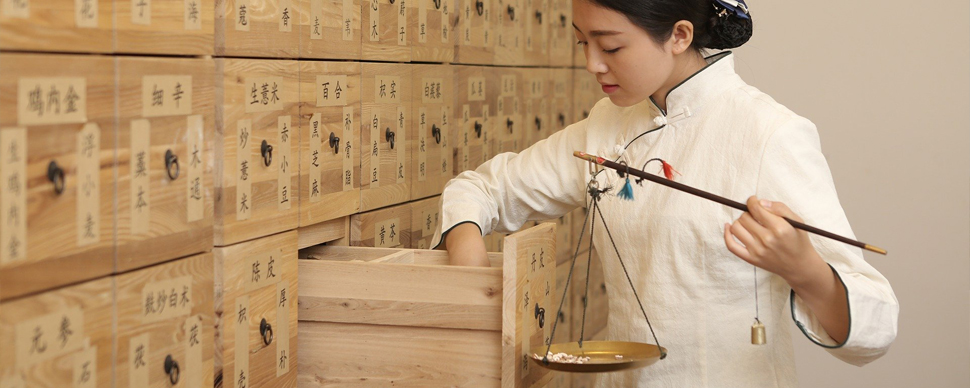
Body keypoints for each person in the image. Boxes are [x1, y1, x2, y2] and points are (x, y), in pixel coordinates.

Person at [430, 0, 899, 386]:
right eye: (582, 41)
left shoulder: (768, 133)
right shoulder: (607, 127)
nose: (592, 63)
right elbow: (483, 189)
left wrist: (805, 269)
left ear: (679, 36)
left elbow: (876, 328)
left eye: (610, 46)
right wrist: (469, 259)